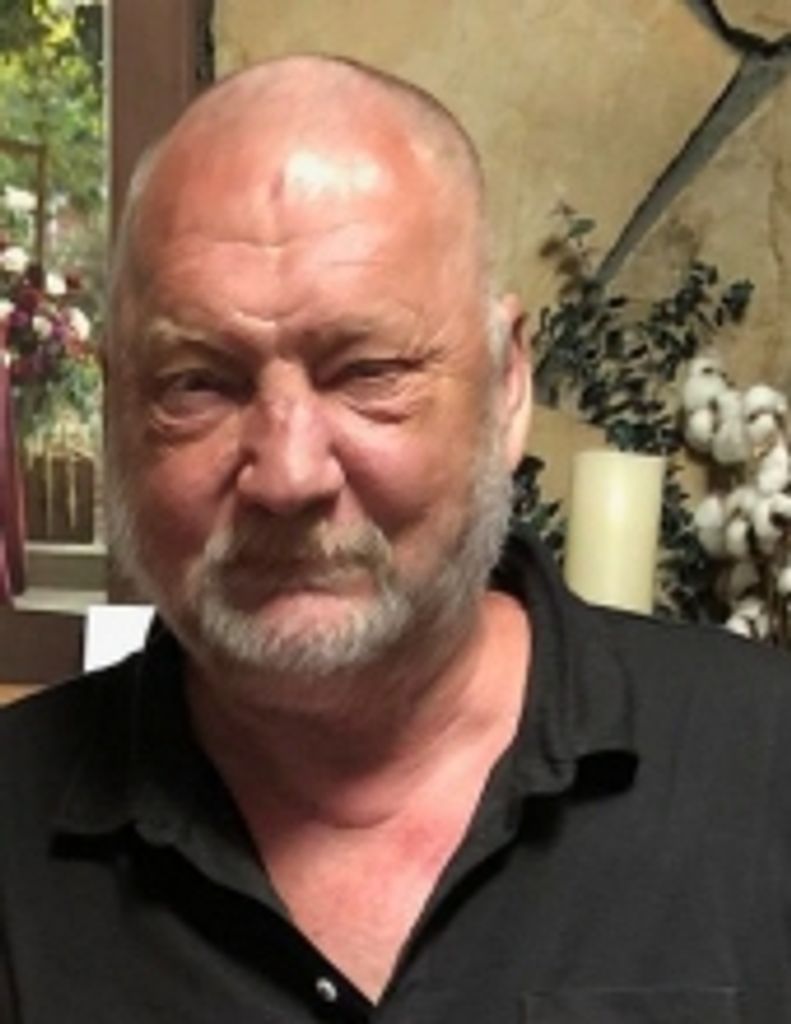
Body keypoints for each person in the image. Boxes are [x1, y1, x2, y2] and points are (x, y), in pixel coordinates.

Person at [1, 55, 791, 1024]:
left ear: (505, 388)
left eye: (366, 371)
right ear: (118, 412)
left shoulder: (764, 769)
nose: (288, 473)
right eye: (198, 383)